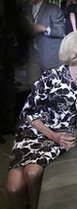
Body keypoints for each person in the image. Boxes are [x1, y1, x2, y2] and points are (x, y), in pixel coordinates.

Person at [6, 31, 77, 209]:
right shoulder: (50, 77)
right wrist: (54, 136)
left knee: (32, 173)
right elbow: (29, 113)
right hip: (35, 132)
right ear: (75, 55)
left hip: (61, 135)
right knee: (14, 188)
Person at [0, 0, 33, 144]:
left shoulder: (8, 12)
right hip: (5, 58)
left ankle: (6, 125)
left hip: (5, 61)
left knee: (7, 93)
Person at [26, 0, 65, 87]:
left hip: (51, 57)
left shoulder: (54, 9)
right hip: (32, 55)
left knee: (53, 89)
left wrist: (45, 28)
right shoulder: (27, 10)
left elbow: (61, 32)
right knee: (33, 87)